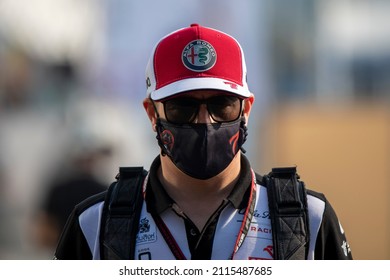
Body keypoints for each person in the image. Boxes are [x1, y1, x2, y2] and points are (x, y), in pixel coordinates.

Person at [54, 23, 352, 260]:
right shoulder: (94, 224)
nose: (204, 122)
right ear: (151, 113)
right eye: (182, 106)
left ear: (246, 109)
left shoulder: (309, 219)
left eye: (222, 104)